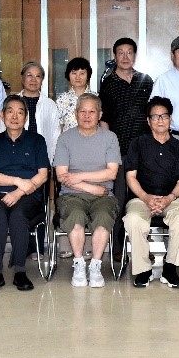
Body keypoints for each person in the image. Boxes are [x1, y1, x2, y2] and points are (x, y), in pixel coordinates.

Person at [122, 97, 179, 289]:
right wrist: (146, 197)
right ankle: (143, 270)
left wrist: (168, 198)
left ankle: (170, 268)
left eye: (164, 116)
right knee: (133, 220)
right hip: (141, 198)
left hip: (172, 198)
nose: (160, 120)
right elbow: (131, 177)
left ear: (170, 119)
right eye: (155, 117)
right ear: (148, 121)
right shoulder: (138, 144)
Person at [0, 96, 49, 293]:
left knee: (18, 216)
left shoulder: (37, 140)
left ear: (26, 117)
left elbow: (43, 175)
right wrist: (17, 181)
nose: (15, 116)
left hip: (29, 196)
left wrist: (19, 192)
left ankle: (20, 271)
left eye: (20, 112)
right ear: (3, 116)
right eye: (10, 111)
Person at [54, 93, 122, 288]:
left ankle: (95, 266)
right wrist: (90, 187)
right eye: (82, 111)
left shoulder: (109, 138)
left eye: (92, 111)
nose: (86, 115)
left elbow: (111, 173)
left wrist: (77, 176)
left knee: (103, 217)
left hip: (104, 196)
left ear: (99, 115)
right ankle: (78, 264)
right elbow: (61, 175)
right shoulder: (65, 138)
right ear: (76, 113)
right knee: (75, 216)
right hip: (71, 195)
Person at [98, 37, 155, 158]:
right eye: (121, 53)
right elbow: (104, 119)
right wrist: (109, 147)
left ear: (135, 56)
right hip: (119, 148)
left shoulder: (146, 80)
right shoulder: (108, 84)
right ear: (115, 56)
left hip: (145, 146)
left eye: (129, 53)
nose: (125, 57)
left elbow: (153, 113)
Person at [17, 62, 61, 159]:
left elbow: (56, 135)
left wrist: (53, 159)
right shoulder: (12, 102)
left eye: (38, 76)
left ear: (42, 80)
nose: (33, 80)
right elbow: (2, 130)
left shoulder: (50, 105)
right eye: (29, 75)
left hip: (42, 157)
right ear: (22, 78)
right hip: (16, 156)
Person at [55, 56, 93, 134]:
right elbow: (58, 127)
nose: (77, 77)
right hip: (68, 140)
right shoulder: (61, 99)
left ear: (88, 76)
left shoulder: (96, 98)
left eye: (82, 73)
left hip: (92, 140)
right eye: (74, 73)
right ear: (68, 75)